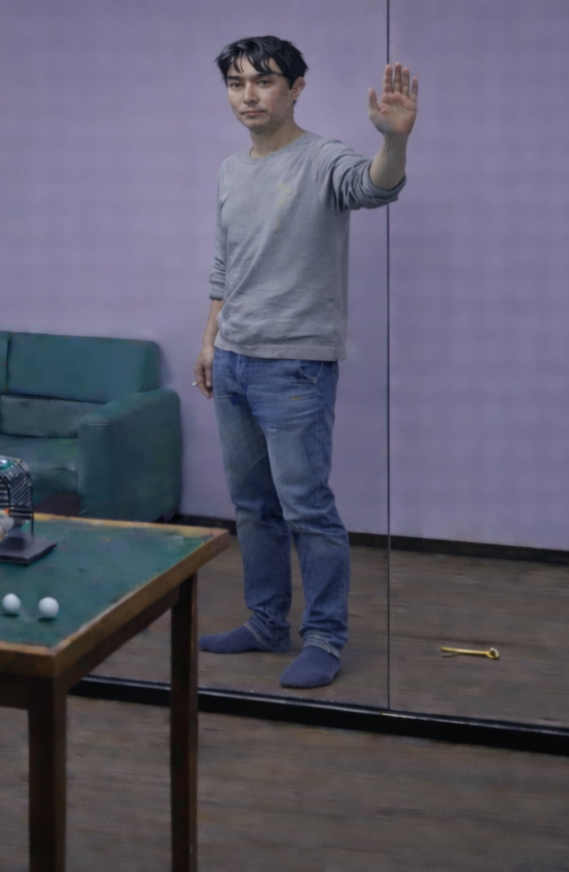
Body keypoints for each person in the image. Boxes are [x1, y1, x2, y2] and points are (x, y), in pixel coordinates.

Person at [193, 35, 417, 690]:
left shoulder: (323, 159)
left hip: (295, 368)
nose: (248, 95)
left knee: (306, 509)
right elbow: (225, 265)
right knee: (252, 506)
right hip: (233, 360)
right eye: (236, 83)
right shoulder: (231, 170)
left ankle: (323, 637)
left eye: (263, 82)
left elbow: (374, 188)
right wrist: (209, 340)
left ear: (295, 89)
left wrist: (395, 141)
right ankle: (266, 622)